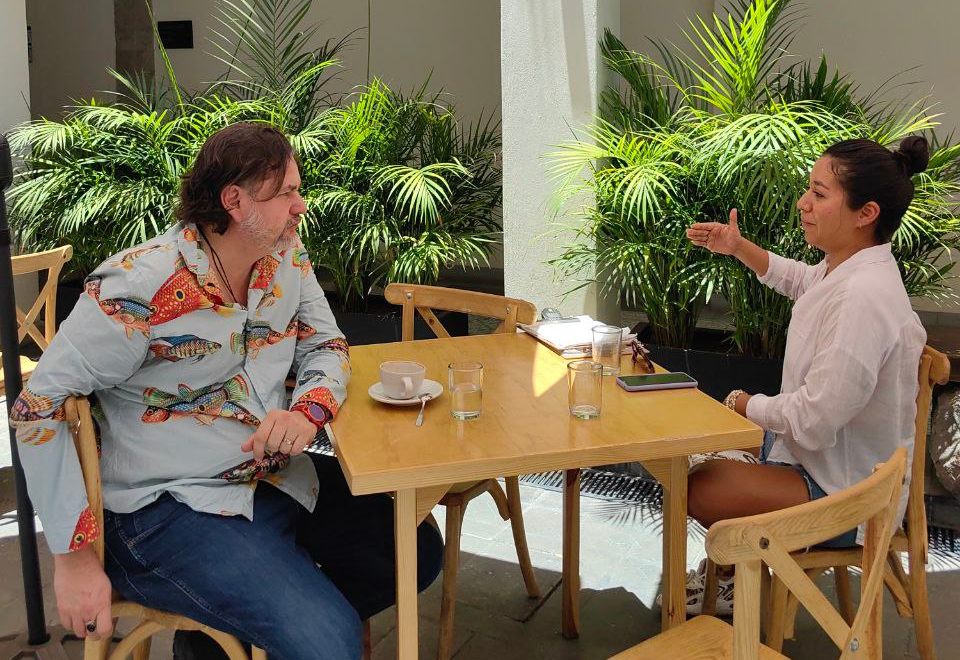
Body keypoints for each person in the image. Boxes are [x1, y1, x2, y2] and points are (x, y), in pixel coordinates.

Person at [10, 122, 443, 659]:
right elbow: (36, 408)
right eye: (286, 192)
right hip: (164, 511)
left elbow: (327, 345)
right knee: (328, 641)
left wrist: (308, 412)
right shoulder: (137, 286)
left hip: (272, 480)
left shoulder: (286, 258)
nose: (300, 206)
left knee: (416, 549)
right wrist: (72, 559)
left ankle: (217, 644)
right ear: (234, 201)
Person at [676, 135, 929, 615]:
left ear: (865, 213)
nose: (803, 203)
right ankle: (733, 569)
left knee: (697, 487)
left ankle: (734, 573)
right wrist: (737, 247)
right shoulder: (849, 267)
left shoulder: (863, 297)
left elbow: (814, 418)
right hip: (822, 460)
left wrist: (745, 403)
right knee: (696, 447)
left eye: (819, 193)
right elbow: (798, 279)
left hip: (849, 494)